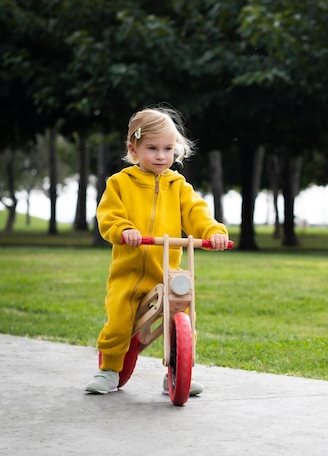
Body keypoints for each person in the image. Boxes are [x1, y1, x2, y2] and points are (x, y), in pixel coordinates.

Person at [85, 106, 230, 396]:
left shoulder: (178, 186)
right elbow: (109, 215)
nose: (161, 155)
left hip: (166, 272)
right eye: (152, 148)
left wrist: (213, 232)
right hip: (129, 274)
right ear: (133, 149)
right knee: (119, 320)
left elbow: (196, 213)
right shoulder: (120, 183)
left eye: (167, 148)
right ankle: (109, 370)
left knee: (185, 314)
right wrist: (124, 230)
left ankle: (177, 372)